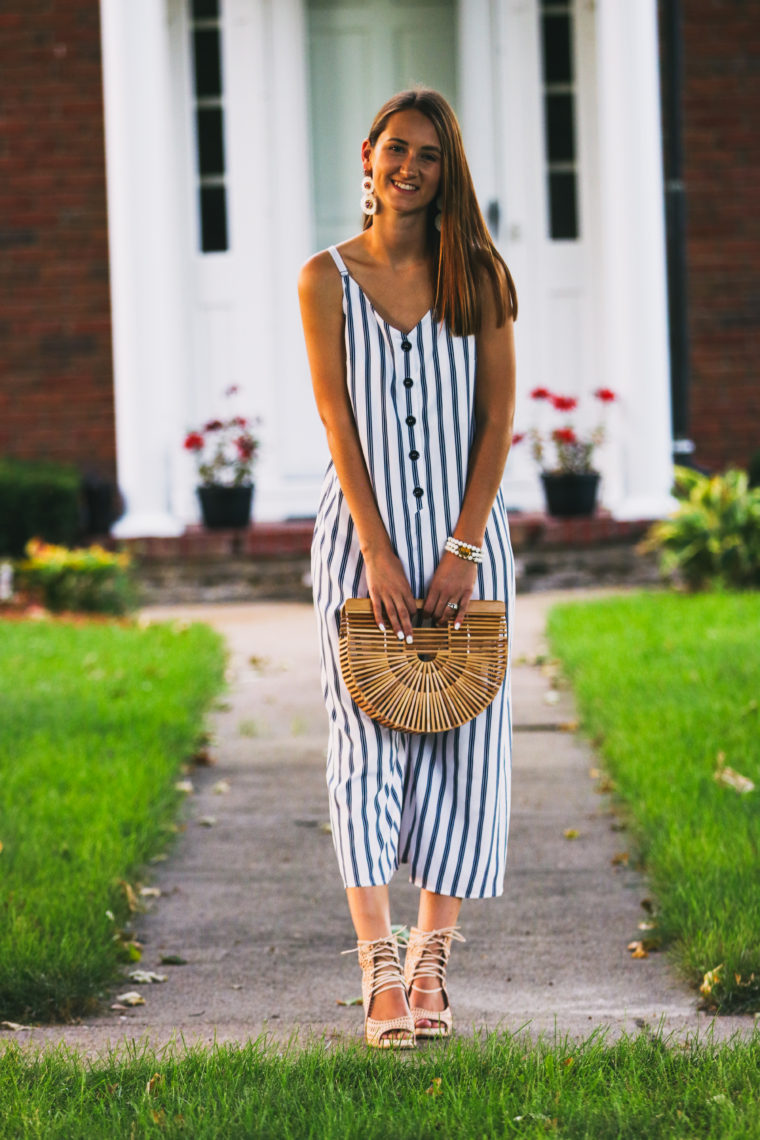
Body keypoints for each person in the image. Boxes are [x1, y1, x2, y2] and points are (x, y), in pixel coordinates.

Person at [298, 88, 518, 1049]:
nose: (410, 166)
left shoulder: (479, 275)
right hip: (360, 545)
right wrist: (380, 552)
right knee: (366, 747)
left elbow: (497, 423)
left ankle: (434, 964)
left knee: (461, 745)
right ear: (368, 155)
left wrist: (462, 549)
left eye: (428, 153)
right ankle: (378, 971)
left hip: (465, 551)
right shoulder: (323, 279)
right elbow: (337, 423)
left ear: (446, 168)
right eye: (396, 148)